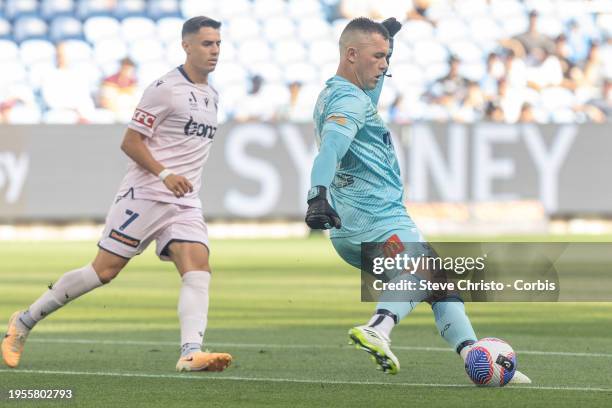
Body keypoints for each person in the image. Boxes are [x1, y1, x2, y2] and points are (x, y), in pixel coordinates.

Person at [304, 16, 530, 383]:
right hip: (373, 221)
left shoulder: (345, 92)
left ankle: (476, 356)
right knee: (422, 273)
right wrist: (317, 194)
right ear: (351, 54)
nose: (384, 64)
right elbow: (331, 147)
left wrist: (388, 41)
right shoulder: (347, 100)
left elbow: (362, 100)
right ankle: (378, 327)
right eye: (377, 56)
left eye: (387, 57)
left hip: (362, 224)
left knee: (441, 286)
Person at [2, 16, 232, 373]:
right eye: (207, 43)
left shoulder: (213, 95)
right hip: (146, 194)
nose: (214, 50)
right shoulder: (165, 88)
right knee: (103, 271)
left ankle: (190, 351)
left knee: (198, 268)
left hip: (185, 201)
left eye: (218, 43)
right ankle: (25, 321)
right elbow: (130, 141)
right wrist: (165, 173)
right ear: (186, 45)